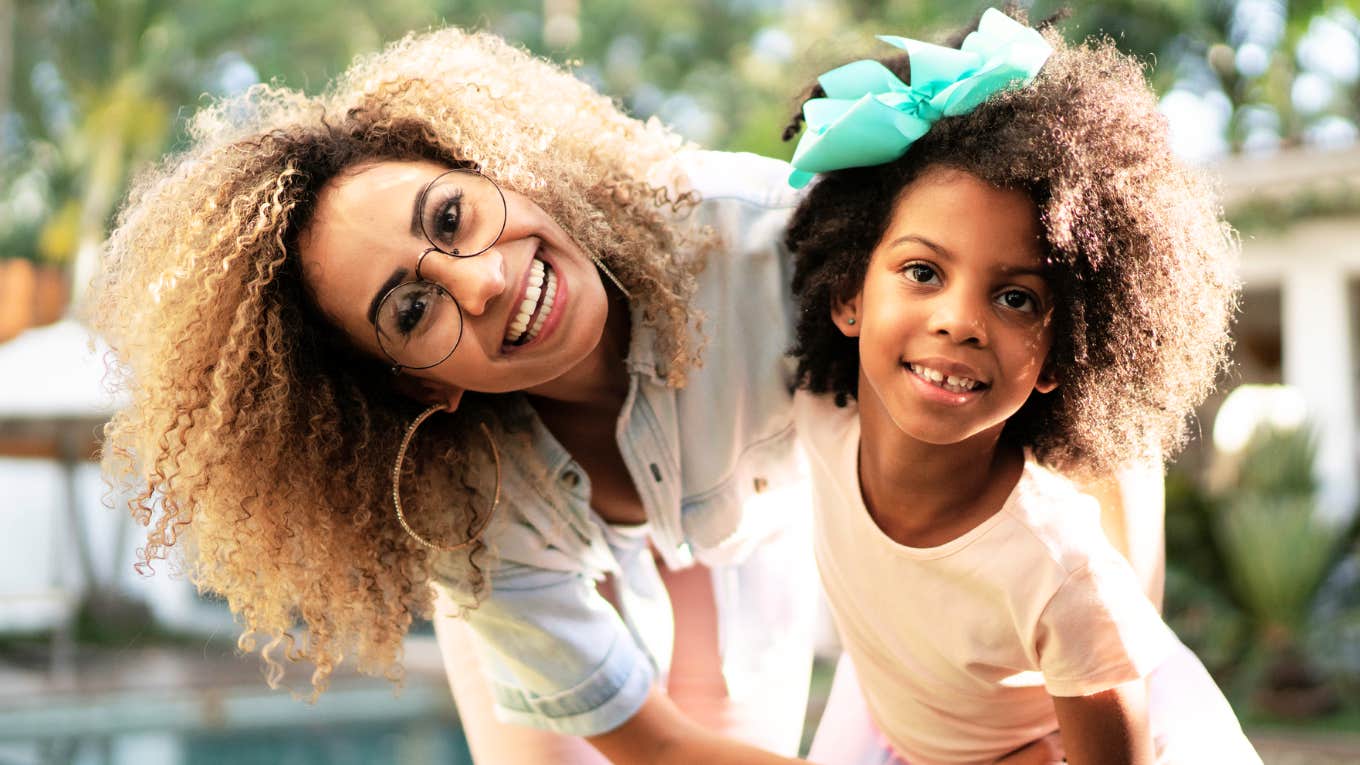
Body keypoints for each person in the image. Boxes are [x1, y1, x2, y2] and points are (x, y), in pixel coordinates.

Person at [90, 21, 1147, 765]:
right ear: (414, 391)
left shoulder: (767, 245)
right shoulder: (461, 509)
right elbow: (651, 748)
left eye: (451, 217)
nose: (486, 277)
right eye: (412, 311)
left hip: (757, 524)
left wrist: (1103, 639)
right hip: (558, 540)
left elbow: (1058, 397)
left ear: (499, 171)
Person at [782, 9, 1260, 765]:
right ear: (847, 295)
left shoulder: (1061, 571)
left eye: (1017, 298)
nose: (961, 320)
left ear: (1058, 358)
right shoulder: (816, 416)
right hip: (898, 719)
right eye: (922, 271)